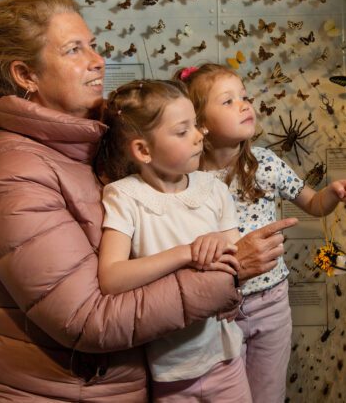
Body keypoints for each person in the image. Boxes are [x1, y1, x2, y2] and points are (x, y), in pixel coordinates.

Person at [0, 0, 296, 402]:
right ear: (26, 75)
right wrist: (229, 271)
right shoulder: (13, 173)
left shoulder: (86, 148)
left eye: (94, 46)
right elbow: (88, 319)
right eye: (74, 49)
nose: (97, 59)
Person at [178, 64, 346, 403]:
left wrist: (333, 194)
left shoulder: (266, 163)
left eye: (245, 97)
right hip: (218, 309)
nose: (245, 105)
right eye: (229, 101)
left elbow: (314, 204)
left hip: (271, 303)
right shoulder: (188, 175)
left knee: (267, 395)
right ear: (201, 124)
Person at [96, 79, 250, 402]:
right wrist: (185, 253)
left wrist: (221, 247)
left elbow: (239, 264)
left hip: (226, 360)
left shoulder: (214, 190)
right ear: (143, 150)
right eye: (182, 131)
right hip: (169, 372)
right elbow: (111, 277)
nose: (199, 135)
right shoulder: (124, 197)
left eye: (195, 125)